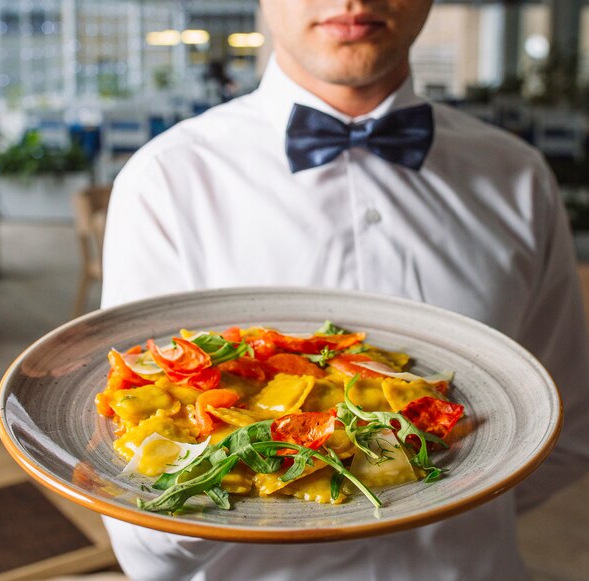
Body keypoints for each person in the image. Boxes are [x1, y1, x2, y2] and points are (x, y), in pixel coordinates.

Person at [101, 1, 589, 579]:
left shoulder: (520, 177)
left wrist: (450, 505)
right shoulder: (166, 181)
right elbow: (134, 505)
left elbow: (564, 432)